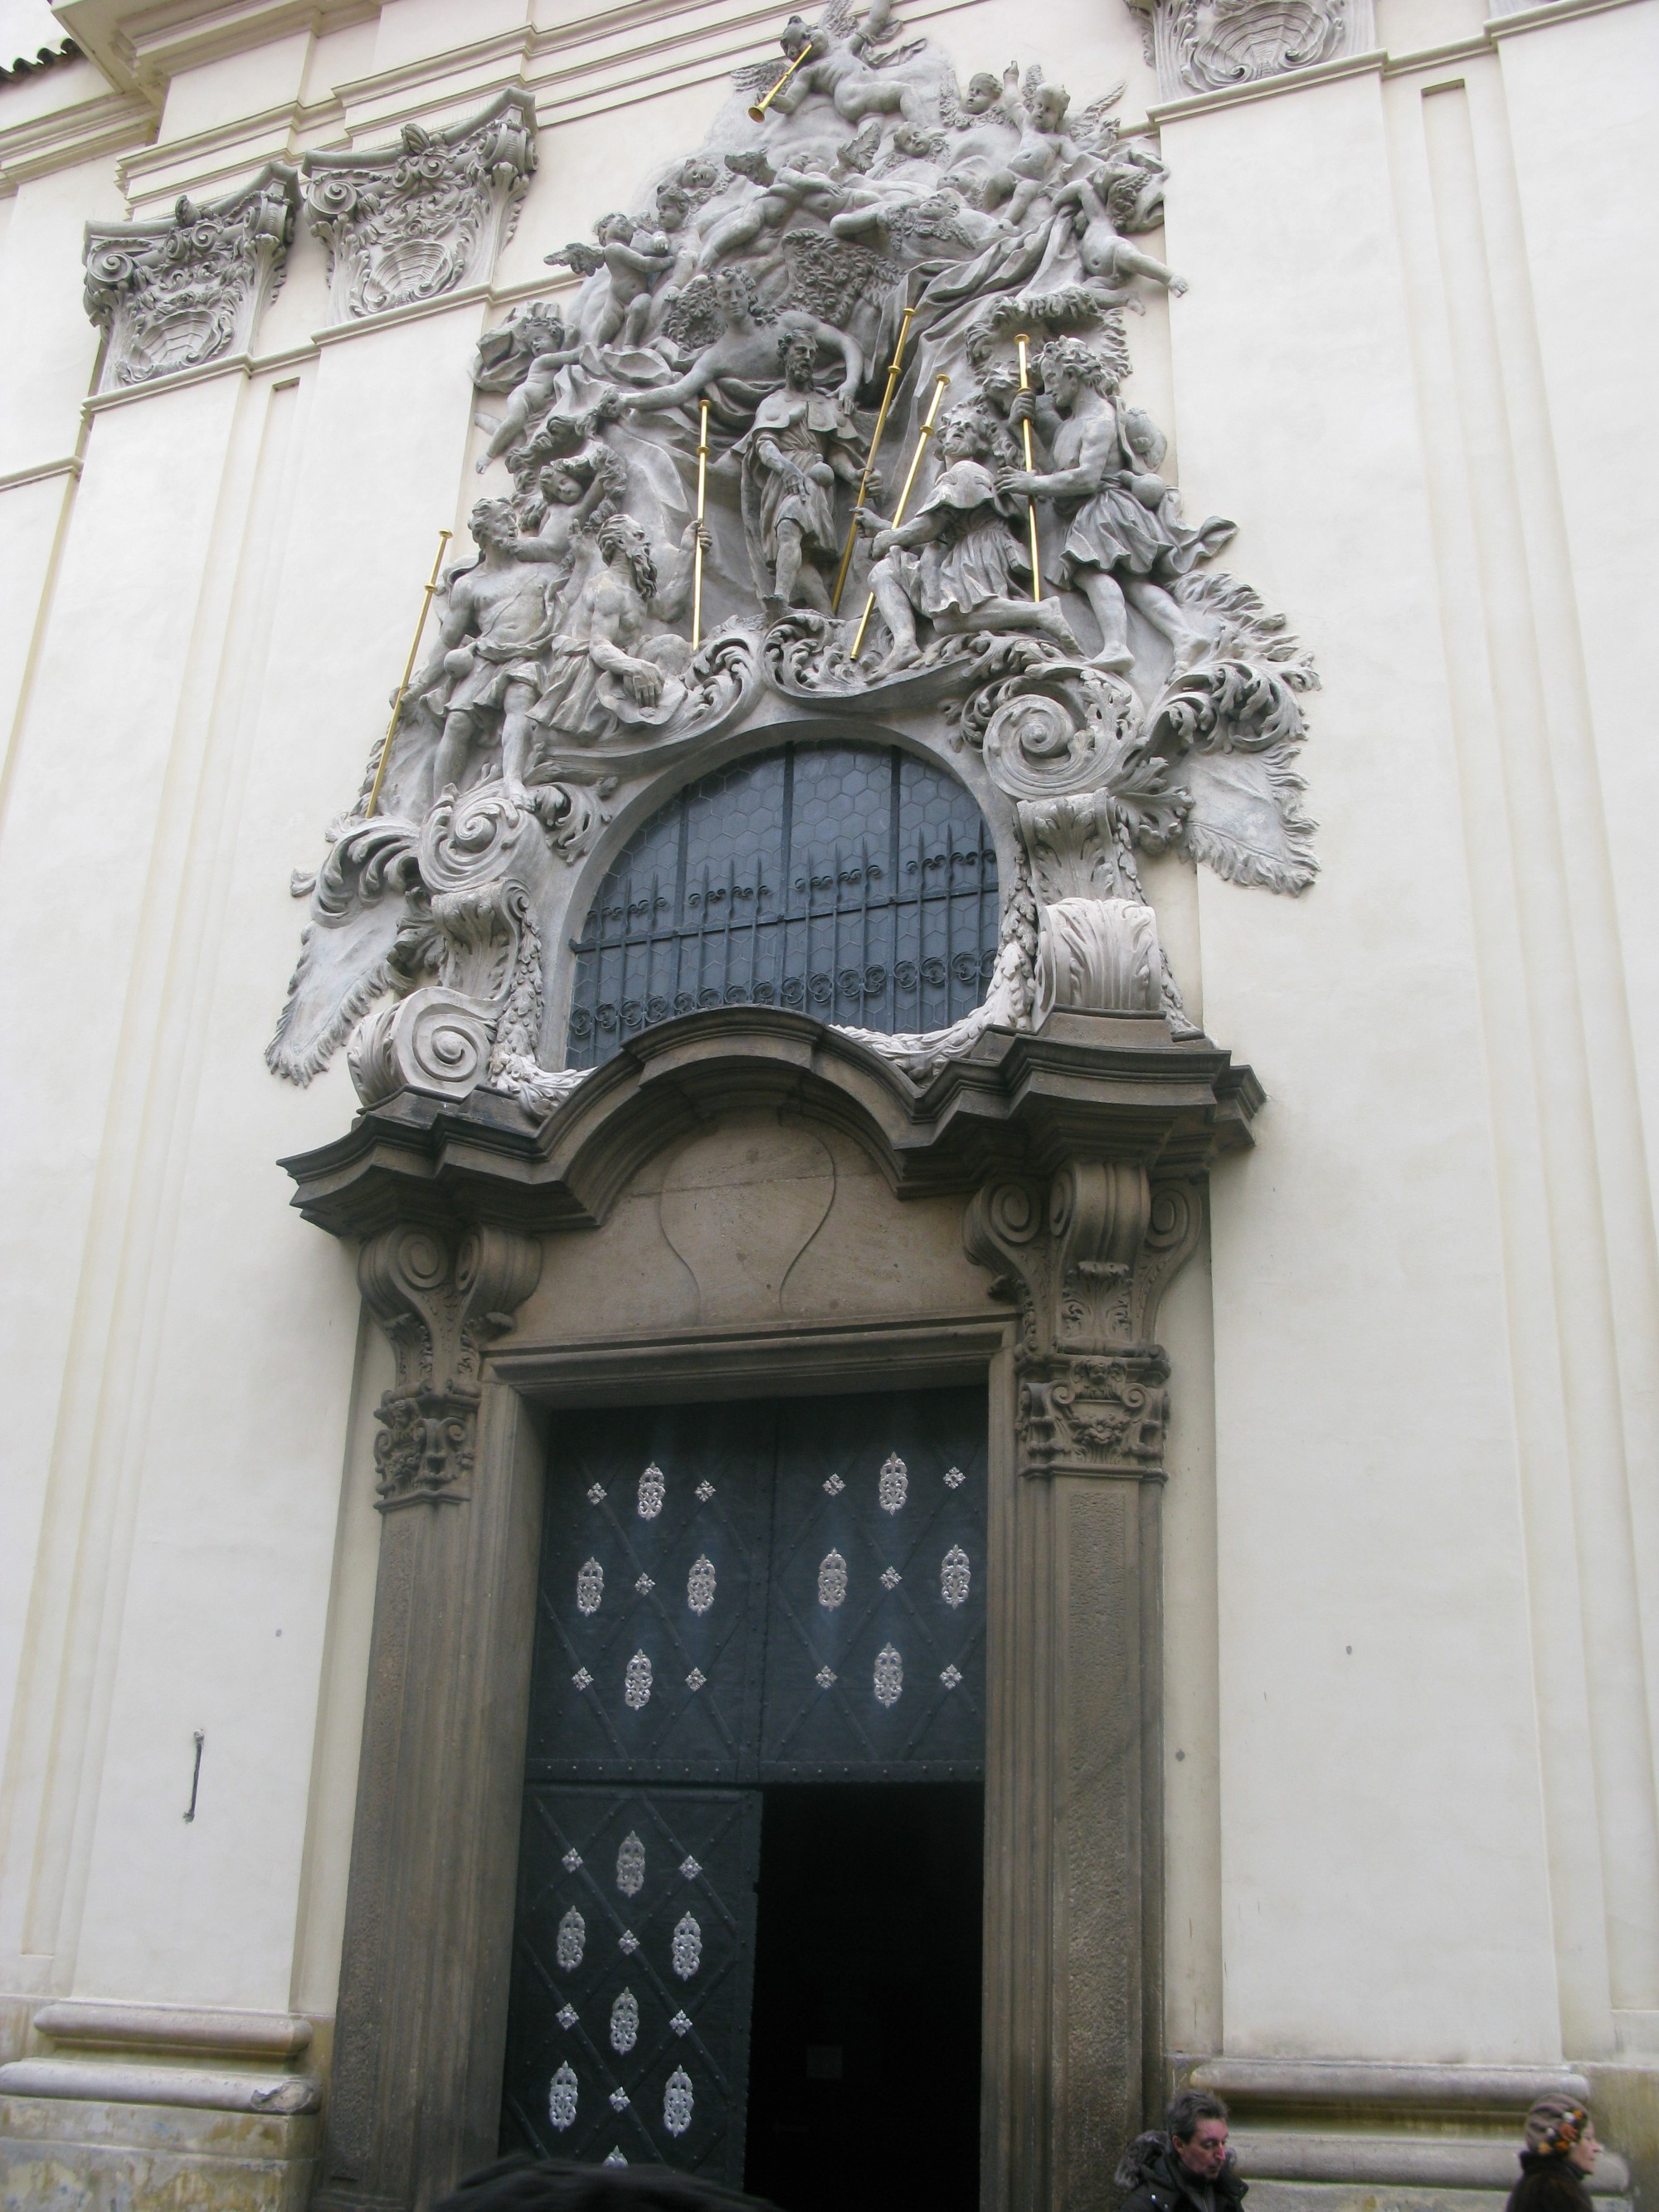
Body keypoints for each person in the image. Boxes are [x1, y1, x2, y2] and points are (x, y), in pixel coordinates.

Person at [1117, 2088, 1247, 2212]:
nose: (1221, 2155)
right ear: (1179, 2145)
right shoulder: (1145, 2204)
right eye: (1208, 2145)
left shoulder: (1226, 2193)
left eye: (1223, 2142)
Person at [1506, 2096, 1601, 2212]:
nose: (1596, 2148)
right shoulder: (1556, 2189)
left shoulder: (1532, 2184)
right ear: (1568, 2141)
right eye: (1588, 2138)